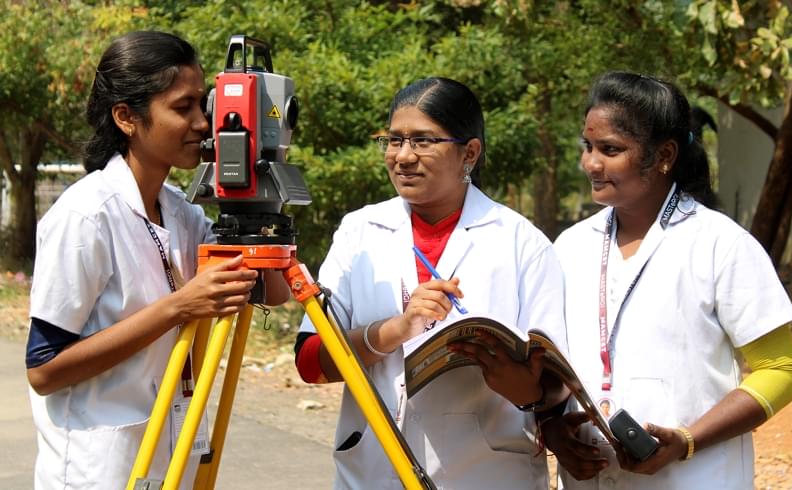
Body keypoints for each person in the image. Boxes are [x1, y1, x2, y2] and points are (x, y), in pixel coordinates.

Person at [25, 31, 288, 489]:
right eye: (182, 108)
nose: (203, 125)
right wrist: (178, 308)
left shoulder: (183, 213)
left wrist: (264, 185)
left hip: (172, 453)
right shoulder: (86, 216)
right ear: (127, 117)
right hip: (100, 465)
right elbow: (44, 369)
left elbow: (274, 291)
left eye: (203, 107)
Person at [293, 77, 567, 489]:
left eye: (423, 141)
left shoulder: (521, 242)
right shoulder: (361, 231)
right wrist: (393, 331)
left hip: (484, 473)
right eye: (393, 139)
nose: (403, 156)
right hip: (373, 469)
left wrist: (522, 388)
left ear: (469, 152)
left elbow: (556, 383)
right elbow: (310, 363)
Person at [545, 71, 792, 489]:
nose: (591, 162)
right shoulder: (571, 246)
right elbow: (551, 366)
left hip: (695, 477)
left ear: (663, 155)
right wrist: (554, 428)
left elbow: (781, 369)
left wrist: (686, 441)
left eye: (610, 149)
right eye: (587, 146)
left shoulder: (720, 244)